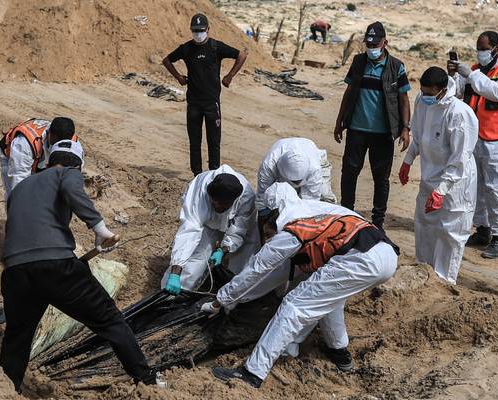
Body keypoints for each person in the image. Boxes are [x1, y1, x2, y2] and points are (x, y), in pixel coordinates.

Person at [0, 142, 157, 391]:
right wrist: (100, 229)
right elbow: (73, 190)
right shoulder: (67, 173)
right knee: (111, 321)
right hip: (56, 267)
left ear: (48, 161)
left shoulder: (20, 188)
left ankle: (7, 388)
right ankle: (147, 382)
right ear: (78, 166)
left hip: (15, 272)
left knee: (18, 335)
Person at [207, 183, 399, 388]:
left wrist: (220, 300)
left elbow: (258, 269)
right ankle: (339, 351)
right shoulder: (314, 209)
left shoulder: (292, 227)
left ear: (274, 211)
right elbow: (276, 273)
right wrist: (237, 297)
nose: (265, 226)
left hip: (360, 259)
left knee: (294, 305)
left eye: (265, 217)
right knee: (326, 298)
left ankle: (252, 373)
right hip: (384, 255)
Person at [450, 31, 498, 259]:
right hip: (475, 137)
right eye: (478, 49)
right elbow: (458, 92)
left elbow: (496, 92)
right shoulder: (475, 70)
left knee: (496, 188)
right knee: (477, 186)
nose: (480, 53)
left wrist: (471, 75)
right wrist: (453, 75)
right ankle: (482, 229)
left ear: (497, 49)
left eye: (484, 49)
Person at [400, 67, 479, 284]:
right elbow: (418, 135)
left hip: (456, 182)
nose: (425, 96)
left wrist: (443, 189)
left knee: (450, 231)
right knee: (424, 224)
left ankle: (444, 280)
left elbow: (459, 158)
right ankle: (423, 272)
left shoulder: (459, 114)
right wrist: (408, 160)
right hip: (430, 175)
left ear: (443, 90)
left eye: (429, 93)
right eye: (423, 92)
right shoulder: (422, 101)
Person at [334, 21, 412, 228]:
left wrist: (405, 128)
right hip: (356, 130)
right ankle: (347, 216)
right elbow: (349, 92)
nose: (371, 49)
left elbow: (404, 99)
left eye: (375, 45)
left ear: (385, 42)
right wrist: (339, 121)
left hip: (383, 133)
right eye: (368, 45)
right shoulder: (358, 62)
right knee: (349, 173)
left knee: (381, 178)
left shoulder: (396, 67)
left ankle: (378, 222)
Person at [163, 13, 248, 175]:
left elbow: (241, 56)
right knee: (194, 142)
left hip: (212, 104)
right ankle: (197, 175)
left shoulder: (216, 47)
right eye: (195, 30)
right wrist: (178, 77)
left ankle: (213, 174)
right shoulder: (186, 48)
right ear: (191, 30)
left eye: (201, 30)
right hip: (193, 104)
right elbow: (167, 61)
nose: (198, 33)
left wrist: (230, 76)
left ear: (208, 29)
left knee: (214, 142)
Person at [163, 165, 257, 294]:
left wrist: (223, 250)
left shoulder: (247, 197)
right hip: (206, 223)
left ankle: (234, 290)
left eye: (223, 204)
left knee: (245, 257)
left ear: (235, 200)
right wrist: (176, 273)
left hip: (229, 223)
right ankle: (170, 292)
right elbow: (190, 230)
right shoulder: (199, 192)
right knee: (196, 260)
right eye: (215, 202)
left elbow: (239, 229)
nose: (217, 206)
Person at [0, 117, 80, 201]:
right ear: (50, 134)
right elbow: (18, 179)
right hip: (14, 158)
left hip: (39, 159)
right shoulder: (24, 143)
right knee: (16, 197)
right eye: (56, 144)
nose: (59, 148)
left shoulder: (73, 144)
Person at [257, 137, 337, 205]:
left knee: (325, 196)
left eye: (299, 181)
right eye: (294, 181)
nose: (297, 184)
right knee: (277, 197)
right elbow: (262, 195)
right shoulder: (268, 166)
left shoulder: (315, 169)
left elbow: (311, 200)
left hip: (318, 160)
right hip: (283, 154)